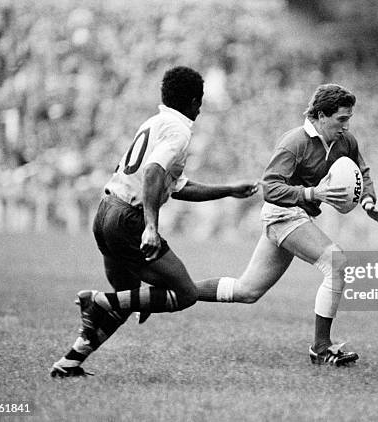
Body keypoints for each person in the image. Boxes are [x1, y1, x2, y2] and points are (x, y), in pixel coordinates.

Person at [50, 66, 258, 377]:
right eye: (199, 102)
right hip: (127, 220)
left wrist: (228, 189)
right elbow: (152, 173)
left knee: (126, 300)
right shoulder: (179, 130)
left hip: (107, 211)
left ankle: (69, 363)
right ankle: (96, 300)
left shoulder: (155, 122)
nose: (200, 109)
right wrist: (151, 226)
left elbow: (177, 186)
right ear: (192, 101)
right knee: (185, 294)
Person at [195, 84, 378, 366]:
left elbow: (362, 171)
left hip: (298, 217)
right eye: (342, 119)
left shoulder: (344, 142)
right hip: (281, 214)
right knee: (336, 262)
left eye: (349, 119)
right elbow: (270, 188)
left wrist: (369, 202)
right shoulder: (294, 142)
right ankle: (321, 348)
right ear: (321, 115)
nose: (347, 127)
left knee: (247, 291)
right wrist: (311, 194)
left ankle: (176, 291)